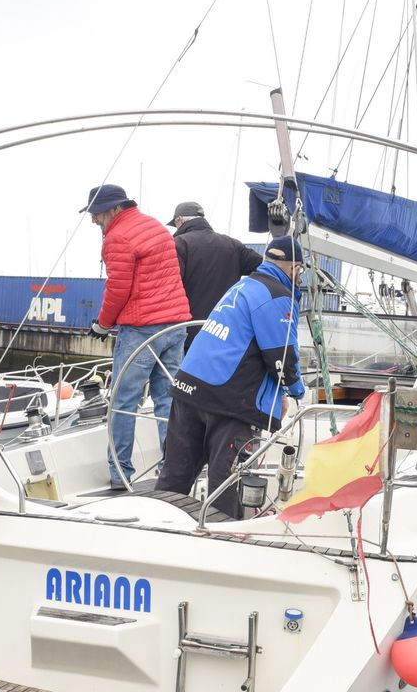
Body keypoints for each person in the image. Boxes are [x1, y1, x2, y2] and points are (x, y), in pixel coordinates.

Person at [157, 235, 306, 519]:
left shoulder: (242, 286)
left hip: (188, 387)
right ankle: (221, 545)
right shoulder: (276, 296)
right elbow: (281, 357)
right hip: (228, 402)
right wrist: (296, 390)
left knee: (173, 479)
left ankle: (157, 532)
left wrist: (279, 394)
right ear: (294, 268)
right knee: (224, 489)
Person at [82, 184, 191, 487]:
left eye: (96, 213)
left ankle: (120, 475)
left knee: (122, 402)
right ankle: (173, 473)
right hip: (175, 326)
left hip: (142, 330)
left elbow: (118, 290)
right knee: (168, 401)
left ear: (114, 209)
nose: (94, 220)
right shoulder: (155, 226)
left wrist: (102, 325)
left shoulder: (118, 237)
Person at [168, 200, 262, 348]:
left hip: (188, 330)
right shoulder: (233, 245)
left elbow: (170, 286)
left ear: (179, 220)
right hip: (224, 328)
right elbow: (264, 268)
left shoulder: (178, 244)